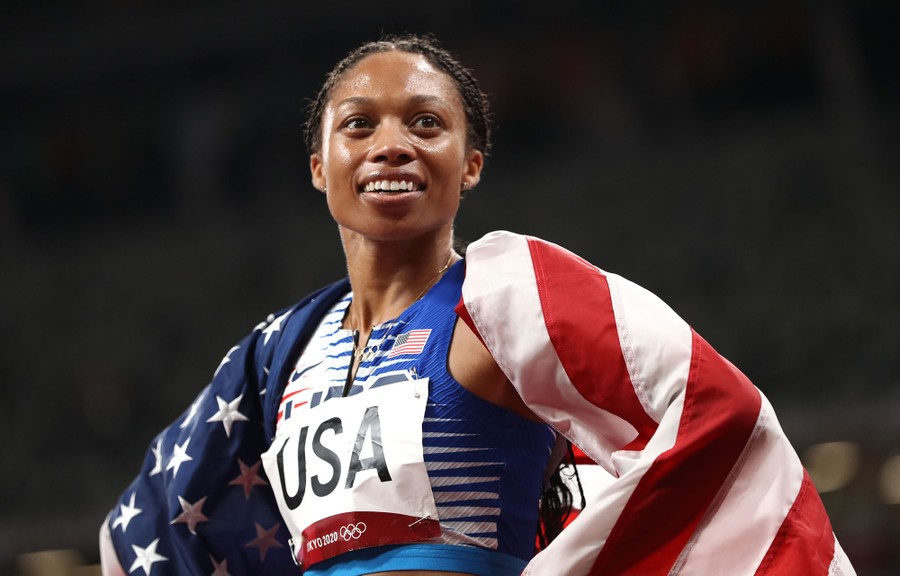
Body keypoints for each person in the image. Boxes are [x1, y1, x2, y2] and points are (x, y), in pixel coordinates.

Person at [101, 34, 855, 575]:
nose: (391, 144)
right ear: (316, 165)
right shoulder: (279, 361)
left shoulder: (503, 298)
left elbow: (709, 413)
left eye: (426, 123)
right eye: (358, 124)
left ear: (471, 165)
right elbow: (157, 522)